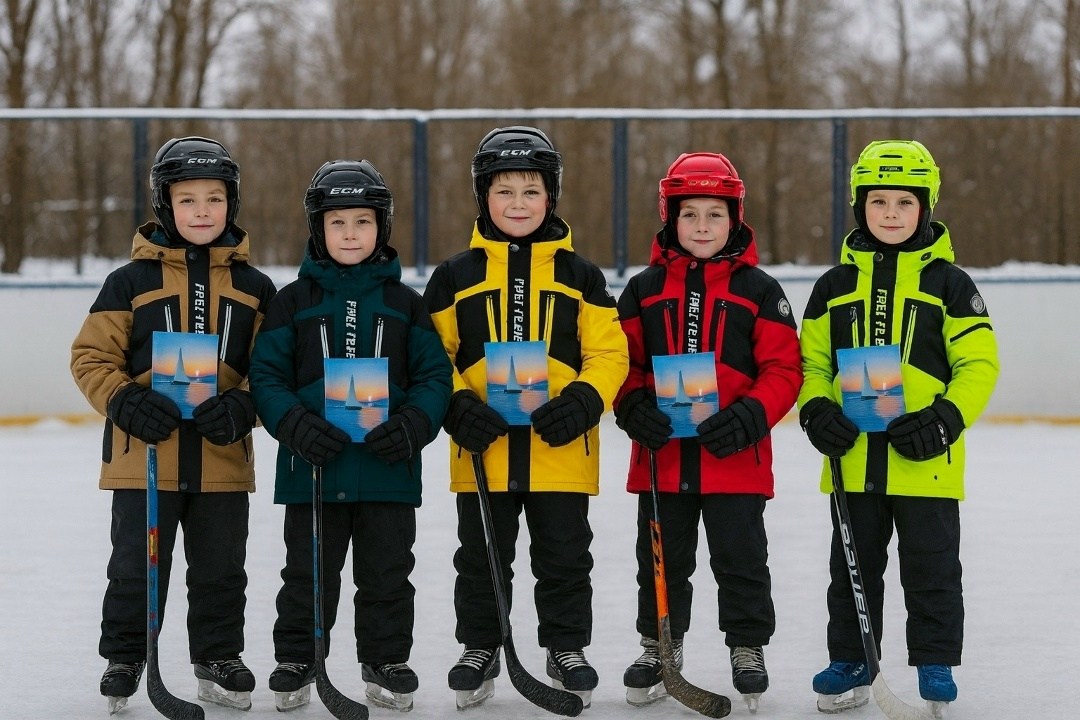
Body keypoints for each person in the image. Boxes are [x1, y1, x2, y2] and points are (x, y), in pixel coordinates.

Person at [422, 126, 629, 710]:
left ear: (552, 197)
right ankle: (480, 646)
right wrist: (456, 404)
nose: (518, 204)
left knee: (564, 556)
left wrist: (586, 400)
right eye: (504, 190)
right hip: (482, 449)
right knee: (481, 556)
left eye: (531, 191)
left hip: (559, 450)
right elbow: (430, 355)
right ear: (482, 196)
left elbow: (610, 352)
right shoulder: (454, 275)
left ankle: (566, 647)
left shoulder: (581, 275)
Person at [70, 136, 277, 712]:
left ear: (231, 205)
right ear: (166, 206)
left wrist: (244, 406)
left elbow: (275, 372)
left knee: (220, 571)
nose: (203, 211)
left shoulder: (256, 289)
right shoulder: (129, 282)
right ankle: (126, 656)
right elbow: (90, 358)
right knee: (136, 569)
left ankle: (217, 655)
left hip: (222, 462)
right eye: (188, 200)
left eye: (215, 199)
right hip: (145, 461)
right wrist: (123, 401)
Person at [798, 140, 999, 715]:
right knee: (852, 570)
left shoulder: (951, 284)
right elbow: (812, 364)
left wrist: (945, 418)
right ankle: (853, 658)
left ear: (926, 207)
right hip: (853, 460)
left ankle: (935, 662)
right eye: (878, 201)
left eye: (904, 202)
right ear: (860, 206)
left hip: (926, 463)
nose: (890, 213)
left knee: (932, 568)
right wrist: (816, 410)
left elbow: (978, 365)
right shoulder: (833, 285)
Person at [249, 159, 452, 713]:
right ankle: (297, 658)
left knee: (388, 572)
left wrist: (414, 424)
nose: (349, 234)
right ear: (318, 229)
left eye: (362, 222)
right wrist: (292, 424)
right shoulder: (292, 301)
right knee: (306, 571)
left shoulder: (406, 304)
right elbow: (266, 375)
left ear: (381, 228)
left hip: (387, 470)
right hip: (311, 470)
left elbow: (435, 376)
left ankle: (385, 660)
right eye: (337, 223)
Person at [613, 152, 803, 712]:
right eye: (688, 213)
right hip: (662, 462)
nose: (701, 226)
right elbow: (619, 363)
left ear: (735, 219)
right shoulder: (642, 289)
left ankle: (747, 646)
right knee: (661, 563)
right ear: (669, 218)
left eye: (714, 214)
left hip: (735, 461)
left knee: (741, 560)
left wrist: (751, 415)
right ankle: (658, 646)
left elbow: (785, 369)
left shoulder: (761, 290)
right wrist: (632, 405)